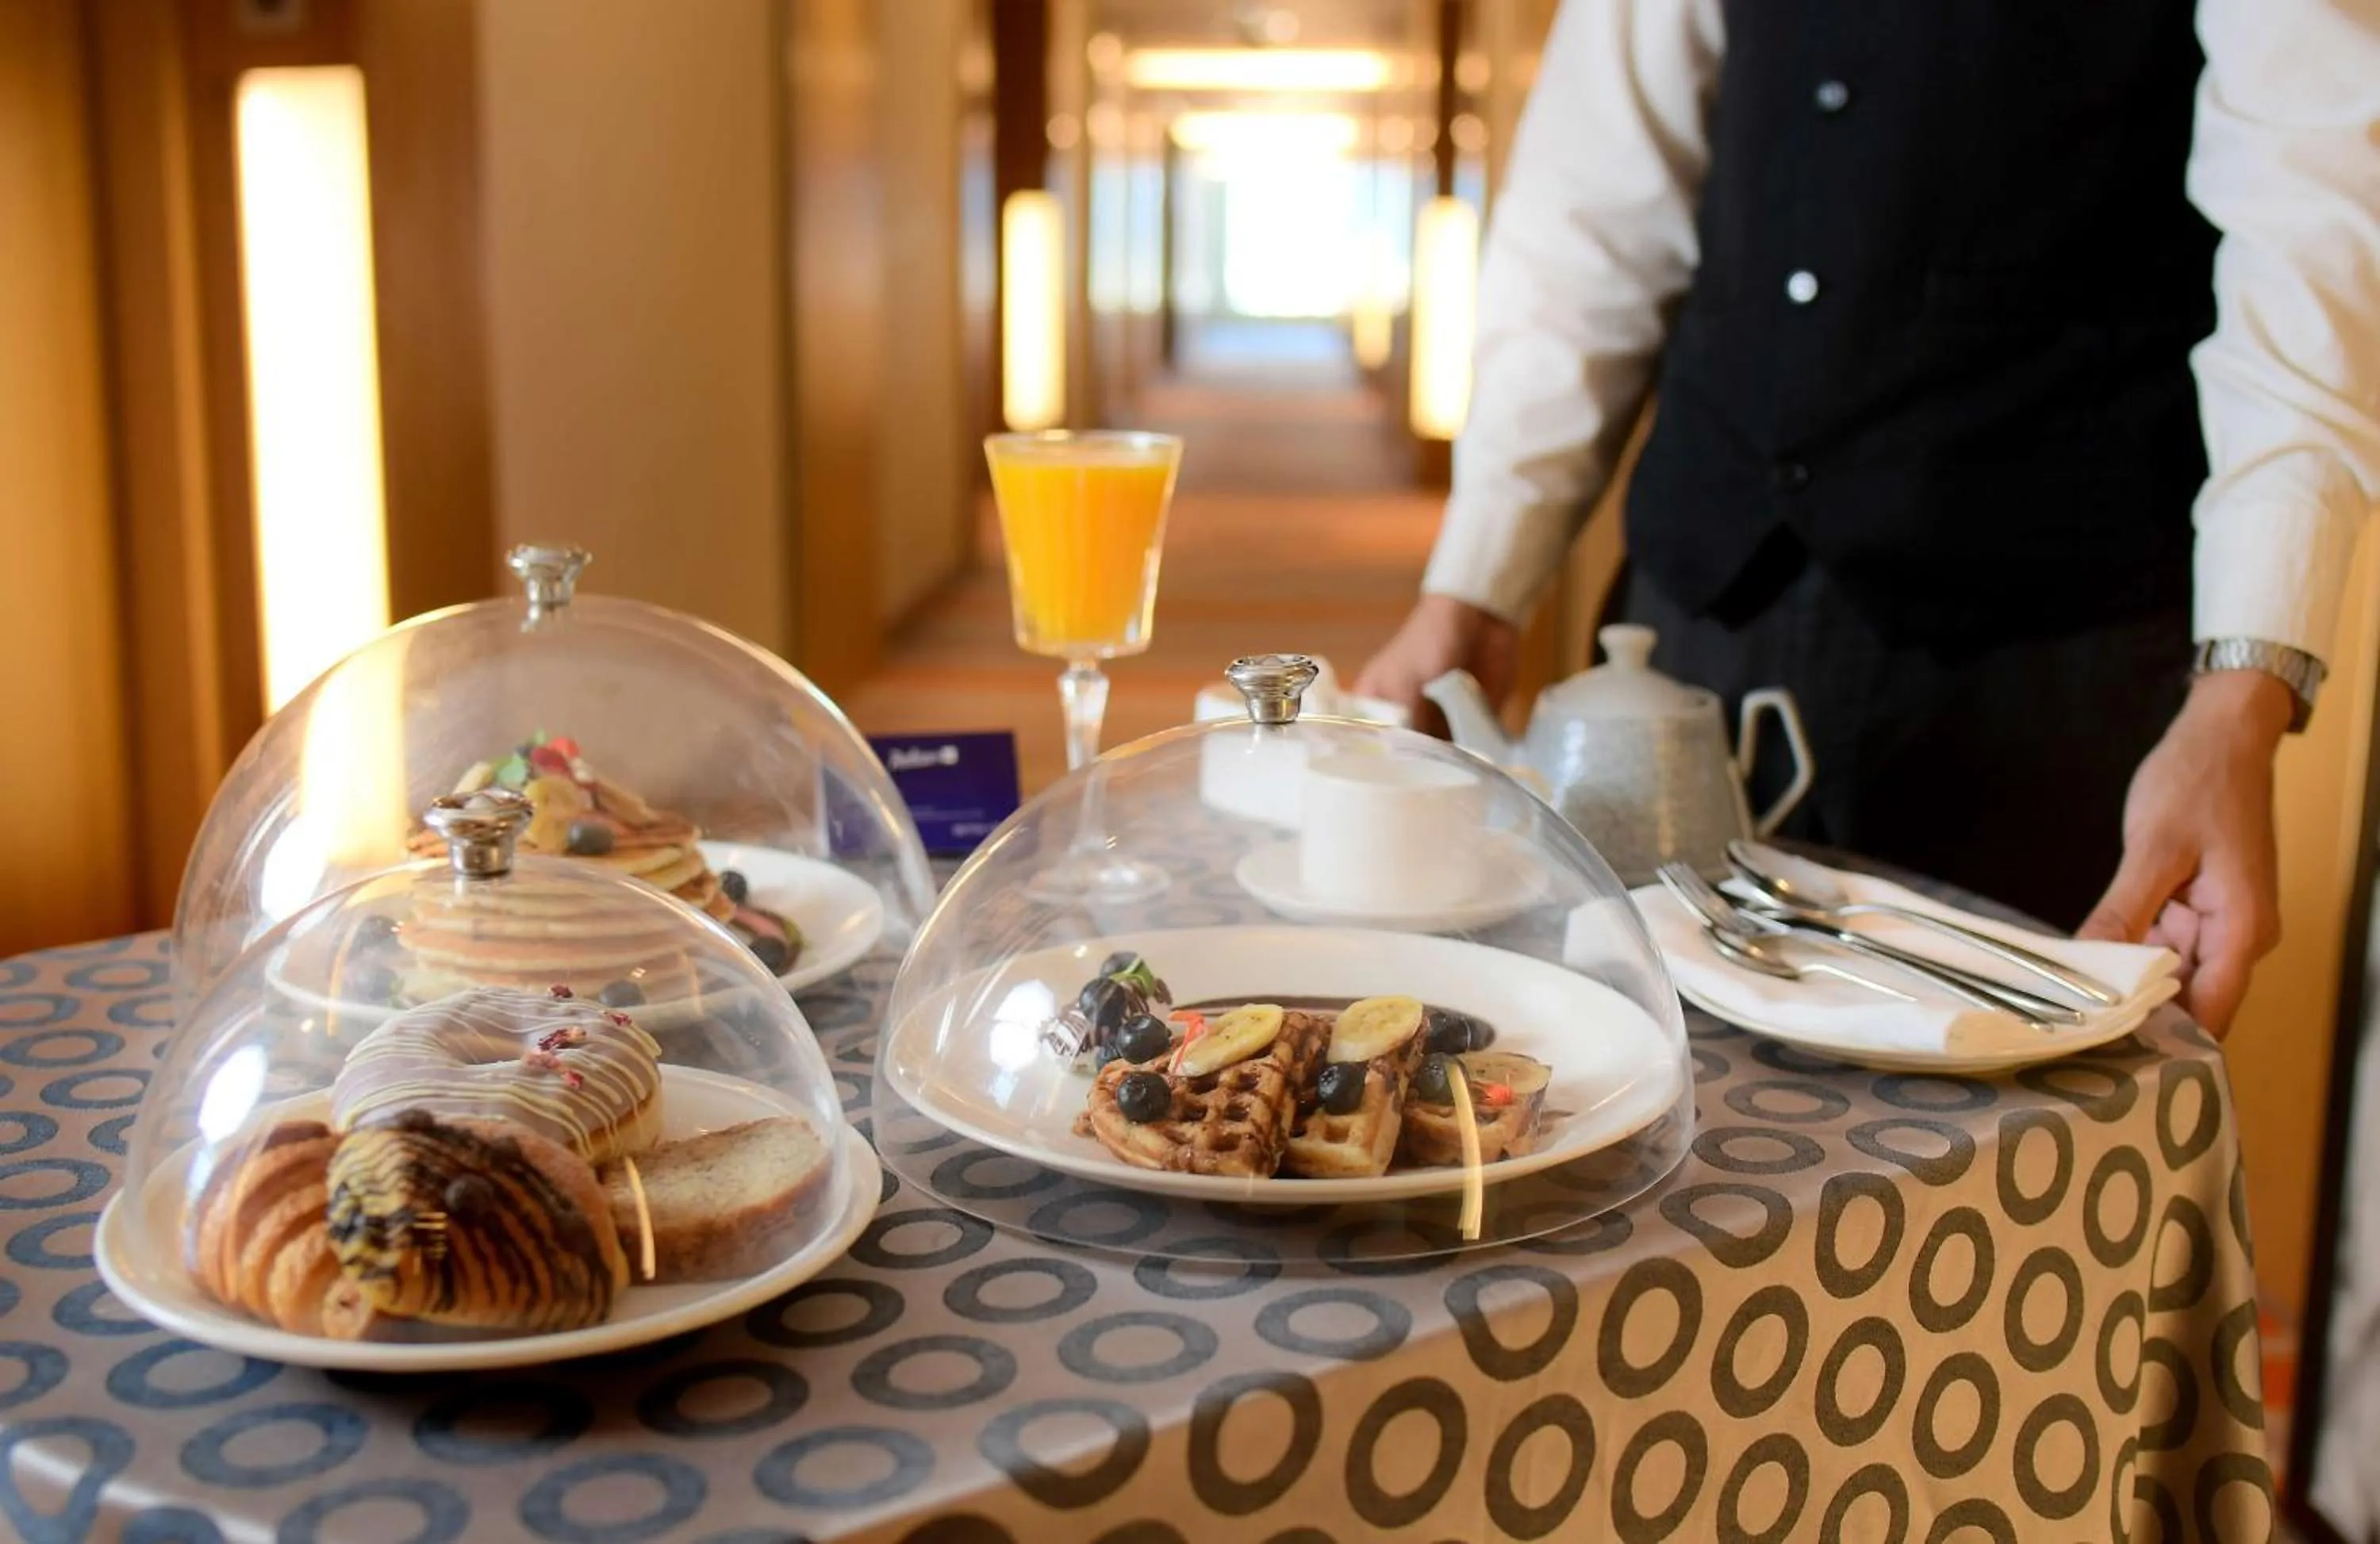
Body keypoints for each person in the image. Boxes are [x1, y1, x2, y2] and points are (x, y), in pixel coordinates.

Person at [1358, 0, 2380, 1034]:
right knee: (1631, 1100)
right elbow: (1593, 217)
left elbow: (2314, 227)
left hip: (2052, 670)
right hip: (1706, 621)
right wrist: (1476, 588)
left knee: (2002, 1160)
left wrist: (2242, 701)